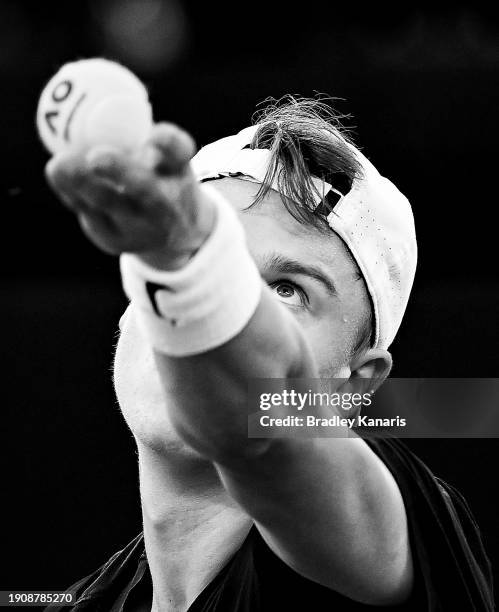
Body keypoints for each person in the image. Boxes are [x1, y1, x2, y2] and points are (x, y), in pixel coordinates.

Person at [45, 97, 494, 611]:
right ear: (129, 313)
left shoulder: (400, 524)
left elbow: (277, 451)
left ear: (354, 388)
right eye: (193, 258)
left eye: (286, 289)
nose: (216, 307)